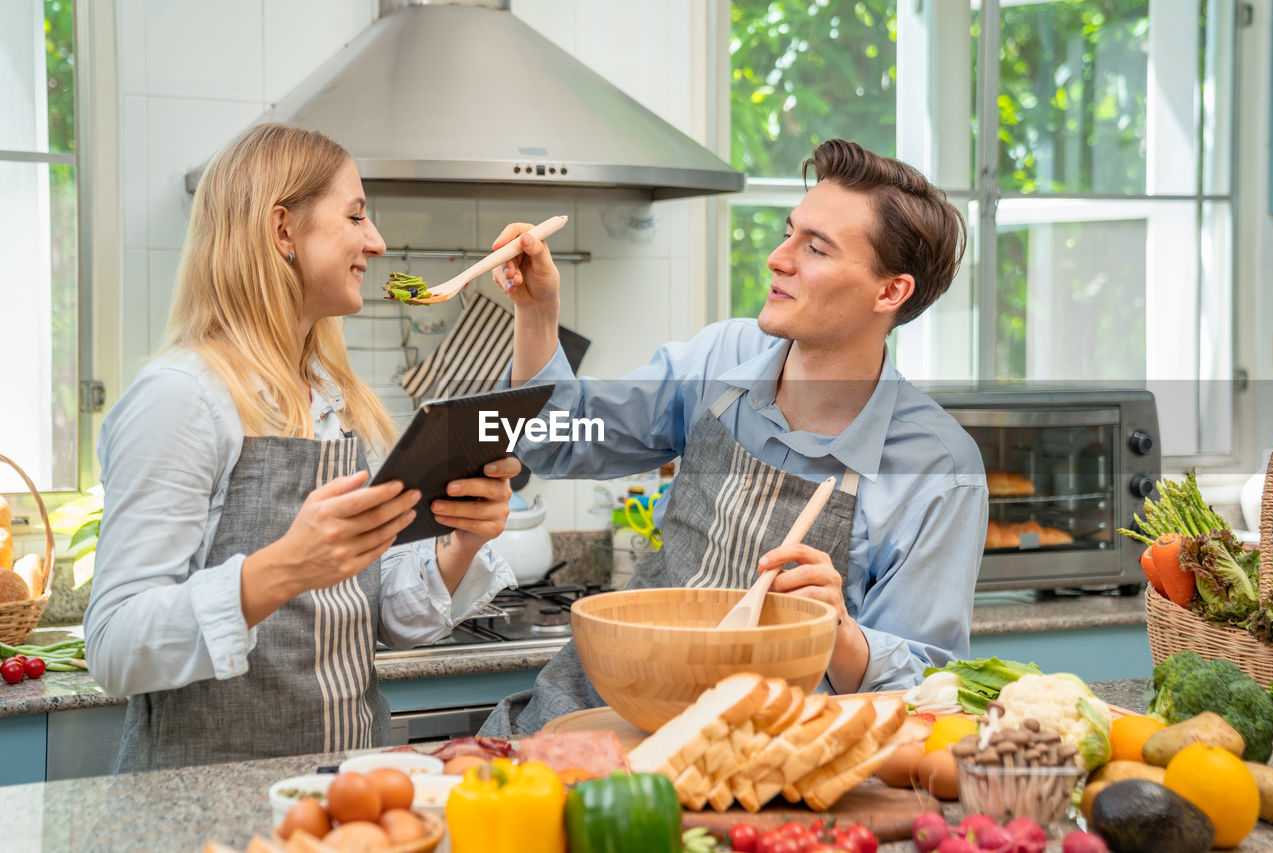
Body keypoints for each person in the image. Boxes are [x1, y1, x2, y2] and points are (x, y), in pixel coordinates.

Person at [479, 139, 988, 736]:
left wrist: (839, 633)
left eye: (815, 248)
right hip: (597, 710)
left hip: (757, 754)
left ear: (890, 292)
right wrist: (537, 312)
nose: (778, 258)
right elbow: (551, 439)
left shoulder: (940, 467)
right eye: (789, 233)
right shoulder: (723, 358)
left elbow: (929, 694)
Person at [83, 124, 519, 771]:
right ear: (283, 230)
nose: (376, 241)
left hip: (345, 794)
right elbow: (115, 646)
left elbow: (366, 615)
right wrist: (285, 565)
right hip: (207, 806)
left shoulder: (335, 401)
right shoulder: (181, 397)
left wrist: (461, 542)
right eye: (355, 215)